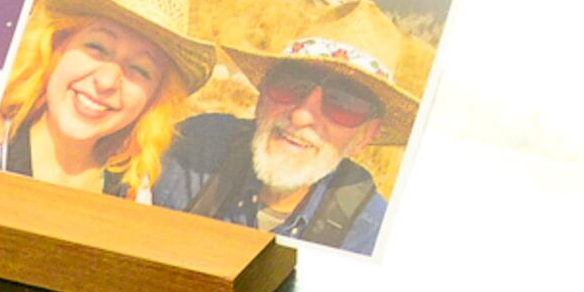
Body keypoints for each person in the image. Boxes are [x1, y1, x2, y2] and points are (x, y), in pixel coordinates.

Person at [152, 35, 420, 253]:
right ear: (261, 97)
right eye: (291, 86)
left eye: (343, 104)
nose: (301, 116)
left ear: (366, 135)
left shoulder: (372, 235)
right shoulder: (196, 147)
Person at [0, 0, 211, 199]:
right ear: (58, 46)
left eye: (140, 69)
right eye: (97, 47)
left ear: (153, 99)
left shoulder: (136, 198)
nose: (106, 82)